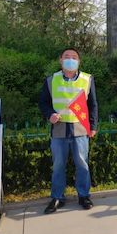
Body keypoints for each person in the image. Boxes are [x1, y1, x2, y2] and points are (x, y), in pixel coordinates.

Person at [39, 48, 98, 213]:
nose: (70, 60)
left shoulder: (87, 79)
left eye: (74, 57)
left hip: (80, 129)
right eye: (67, 57)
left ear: (79, 61)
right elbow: (43, 103)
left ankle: (84, 195)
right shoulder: (51, 80)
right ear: (60, 60)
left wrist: (93, 126)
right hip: (59, 130)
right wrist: (49, 114)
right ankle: (57, 197)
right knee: (58, 165)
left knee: (82, 164)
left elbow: (93, 104)